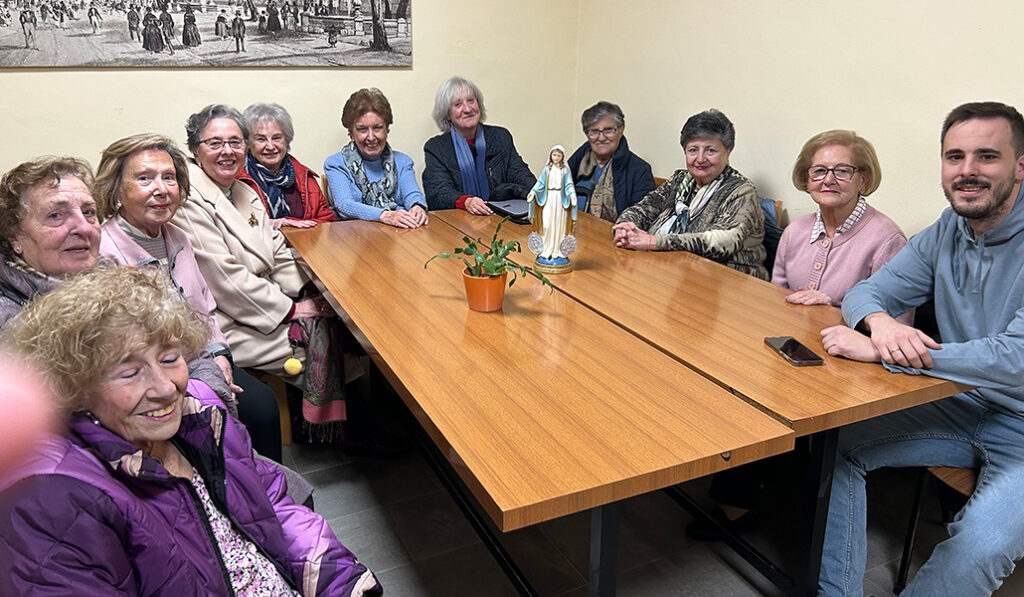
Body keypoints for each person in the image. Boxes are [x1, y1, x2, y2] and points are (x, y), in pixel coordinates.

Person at [0, 267, 382, 596]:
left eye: (170, 358)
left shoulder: (200, 413)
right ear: (76, 387)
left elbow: (276, 508)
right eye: (130, 372)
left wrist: (340, 582)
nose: (166, 388)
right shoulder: (55, 499)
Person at [816, 101, 1024, 596]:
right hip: (960, 397)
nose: (967, 171)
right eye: (955, 157)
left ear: (1021, 165)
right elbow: (868, 291)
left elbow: (1016, 358)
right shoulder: (947, 230)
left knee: (980, 547)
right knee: (831, 446)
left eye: (987, 156)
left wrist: (884, 352)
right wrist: (882, 324)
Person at [94, 133, 286, 462]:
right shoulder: (105, 252)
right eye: (144, 179)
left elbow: (205, 307)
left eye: (169, 178)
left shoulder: (177, 236)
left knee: (262, 407)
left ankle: (266, 494)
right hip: (153, 377)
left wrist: (219, 355)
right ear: (116, 191)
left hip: (200, 357)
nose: (161, 189)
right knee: (212, 419)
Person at [171, 104, 349, 440]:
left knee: (338, 319)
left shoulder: (244, 190)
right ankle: (334, 430)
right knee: (323, 338)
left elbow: (279, 253)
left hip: (261, 303)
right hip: (229, 321)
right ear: (195, 149)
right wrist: (295, 309)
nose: (228, 151)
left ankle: (335, 420)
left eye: (235, 142)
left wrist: (311, 291)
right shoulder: (189, 199)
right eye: (215, 143)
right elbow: (227, 282)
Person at [612, 109, 767, 280]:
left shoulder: (741, 190)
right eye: (693, 150)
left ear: (728, 151)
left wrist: (653, 241)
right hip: (671, 272)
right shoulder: (679, 180)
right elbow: (643, 208)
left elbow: (723, 241)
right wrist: (625, 227)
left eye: (710, 150)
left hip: (725, 283)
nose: (700, 159)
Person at [774, 130, 908, 311]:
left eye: (842, 171)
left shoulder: (888, 241)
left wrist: (832, 312)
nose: (828, 180)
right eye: (819, 171)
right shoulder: (794, 231)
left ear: (863, 180)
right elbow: (774, 299)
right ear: (807, 179)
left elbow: (896, 326)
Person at [422, 76, 536, 215]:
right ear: (447, 114)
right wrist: (466, 201)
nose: (468, 109)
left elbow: (520, 174)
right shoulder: (436, 148)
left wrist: (540, 194)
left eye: (471, 101)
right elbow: (438, 193)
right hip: (459, 222)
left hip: (502, 216)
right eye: (458, 104)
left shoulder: (500, 137)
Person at [324, 88, 428, 228]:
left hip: (399, 236)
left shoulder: (403, 162)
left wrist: (417, 207)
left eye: (377, 128)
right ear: (351, 133)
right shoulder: (335, 164)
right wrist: (385, 215)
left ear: (387, 129)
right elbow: (344, 205)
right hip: (353, 238)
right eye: (362, 129)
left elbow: (412, 194)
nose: (371, 137)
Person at [238, 102, 335, 229]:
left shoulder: (304, 176)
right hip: (258, 248)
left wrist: (290, 225)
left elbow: (329, 222)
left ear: (287, 140)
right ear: (248, 143)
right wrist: (276, 224)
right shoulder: (237, 179)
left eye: (277, 138)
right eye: (261, 139)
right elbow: (233, 225)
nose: (270, 146)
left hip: (304, 246)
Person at [567, 101, 655, 222]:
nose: (601, 138)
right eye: (594, 131)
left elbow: (643, 218)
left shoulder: (640, 170)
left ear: (621, 130)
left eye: (608, 130)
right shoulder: (579, 159)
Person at [527, 145, 577, 268]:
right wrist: (533, 192)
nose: (556, 157)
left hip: (560, 201)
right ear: (551, 156)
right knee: (547, 224)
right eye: (554, 155)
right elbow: (540, 183)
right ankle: (546, 249)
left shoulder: (564, 170)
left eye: (559, 155)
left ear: (562, 157)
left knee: (558, 226)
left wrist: (572, 195)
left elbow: (569, 184)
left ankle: (557, 251)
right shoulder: (547, 170)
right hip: (549, 199)